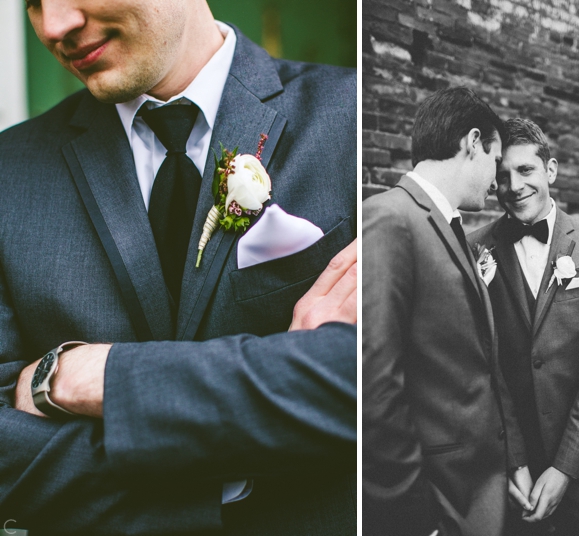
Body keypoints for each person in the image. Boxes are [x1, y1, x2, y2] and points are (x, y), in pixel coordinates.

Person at [0, 1, 356, 534]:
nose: (54, 26)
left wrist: (96, 378)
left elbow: (368, 377)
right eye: (32, 2)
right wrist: (242, 455)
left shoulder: (351, 116)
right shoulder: (10, 171)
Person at [362, 87, 528, 536]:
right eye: (495, 162)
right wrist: (416, 518)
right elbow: (373, 384)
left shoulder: (453, 229)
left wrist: (511, 461)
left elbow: (480, 365)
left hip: (481, 486)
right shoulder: (390, 218)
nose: (498, 183)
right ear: (472, 143)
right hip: (438, 499)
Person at [468, 118, 579, 536]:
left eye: (526, 170)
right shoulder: (476, 248)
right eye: (502, 176)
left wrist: (565, 468)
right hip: (514, 470)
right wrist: (515, 461)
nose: (514, 186)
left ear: (550, 170)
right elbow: (487, 364)